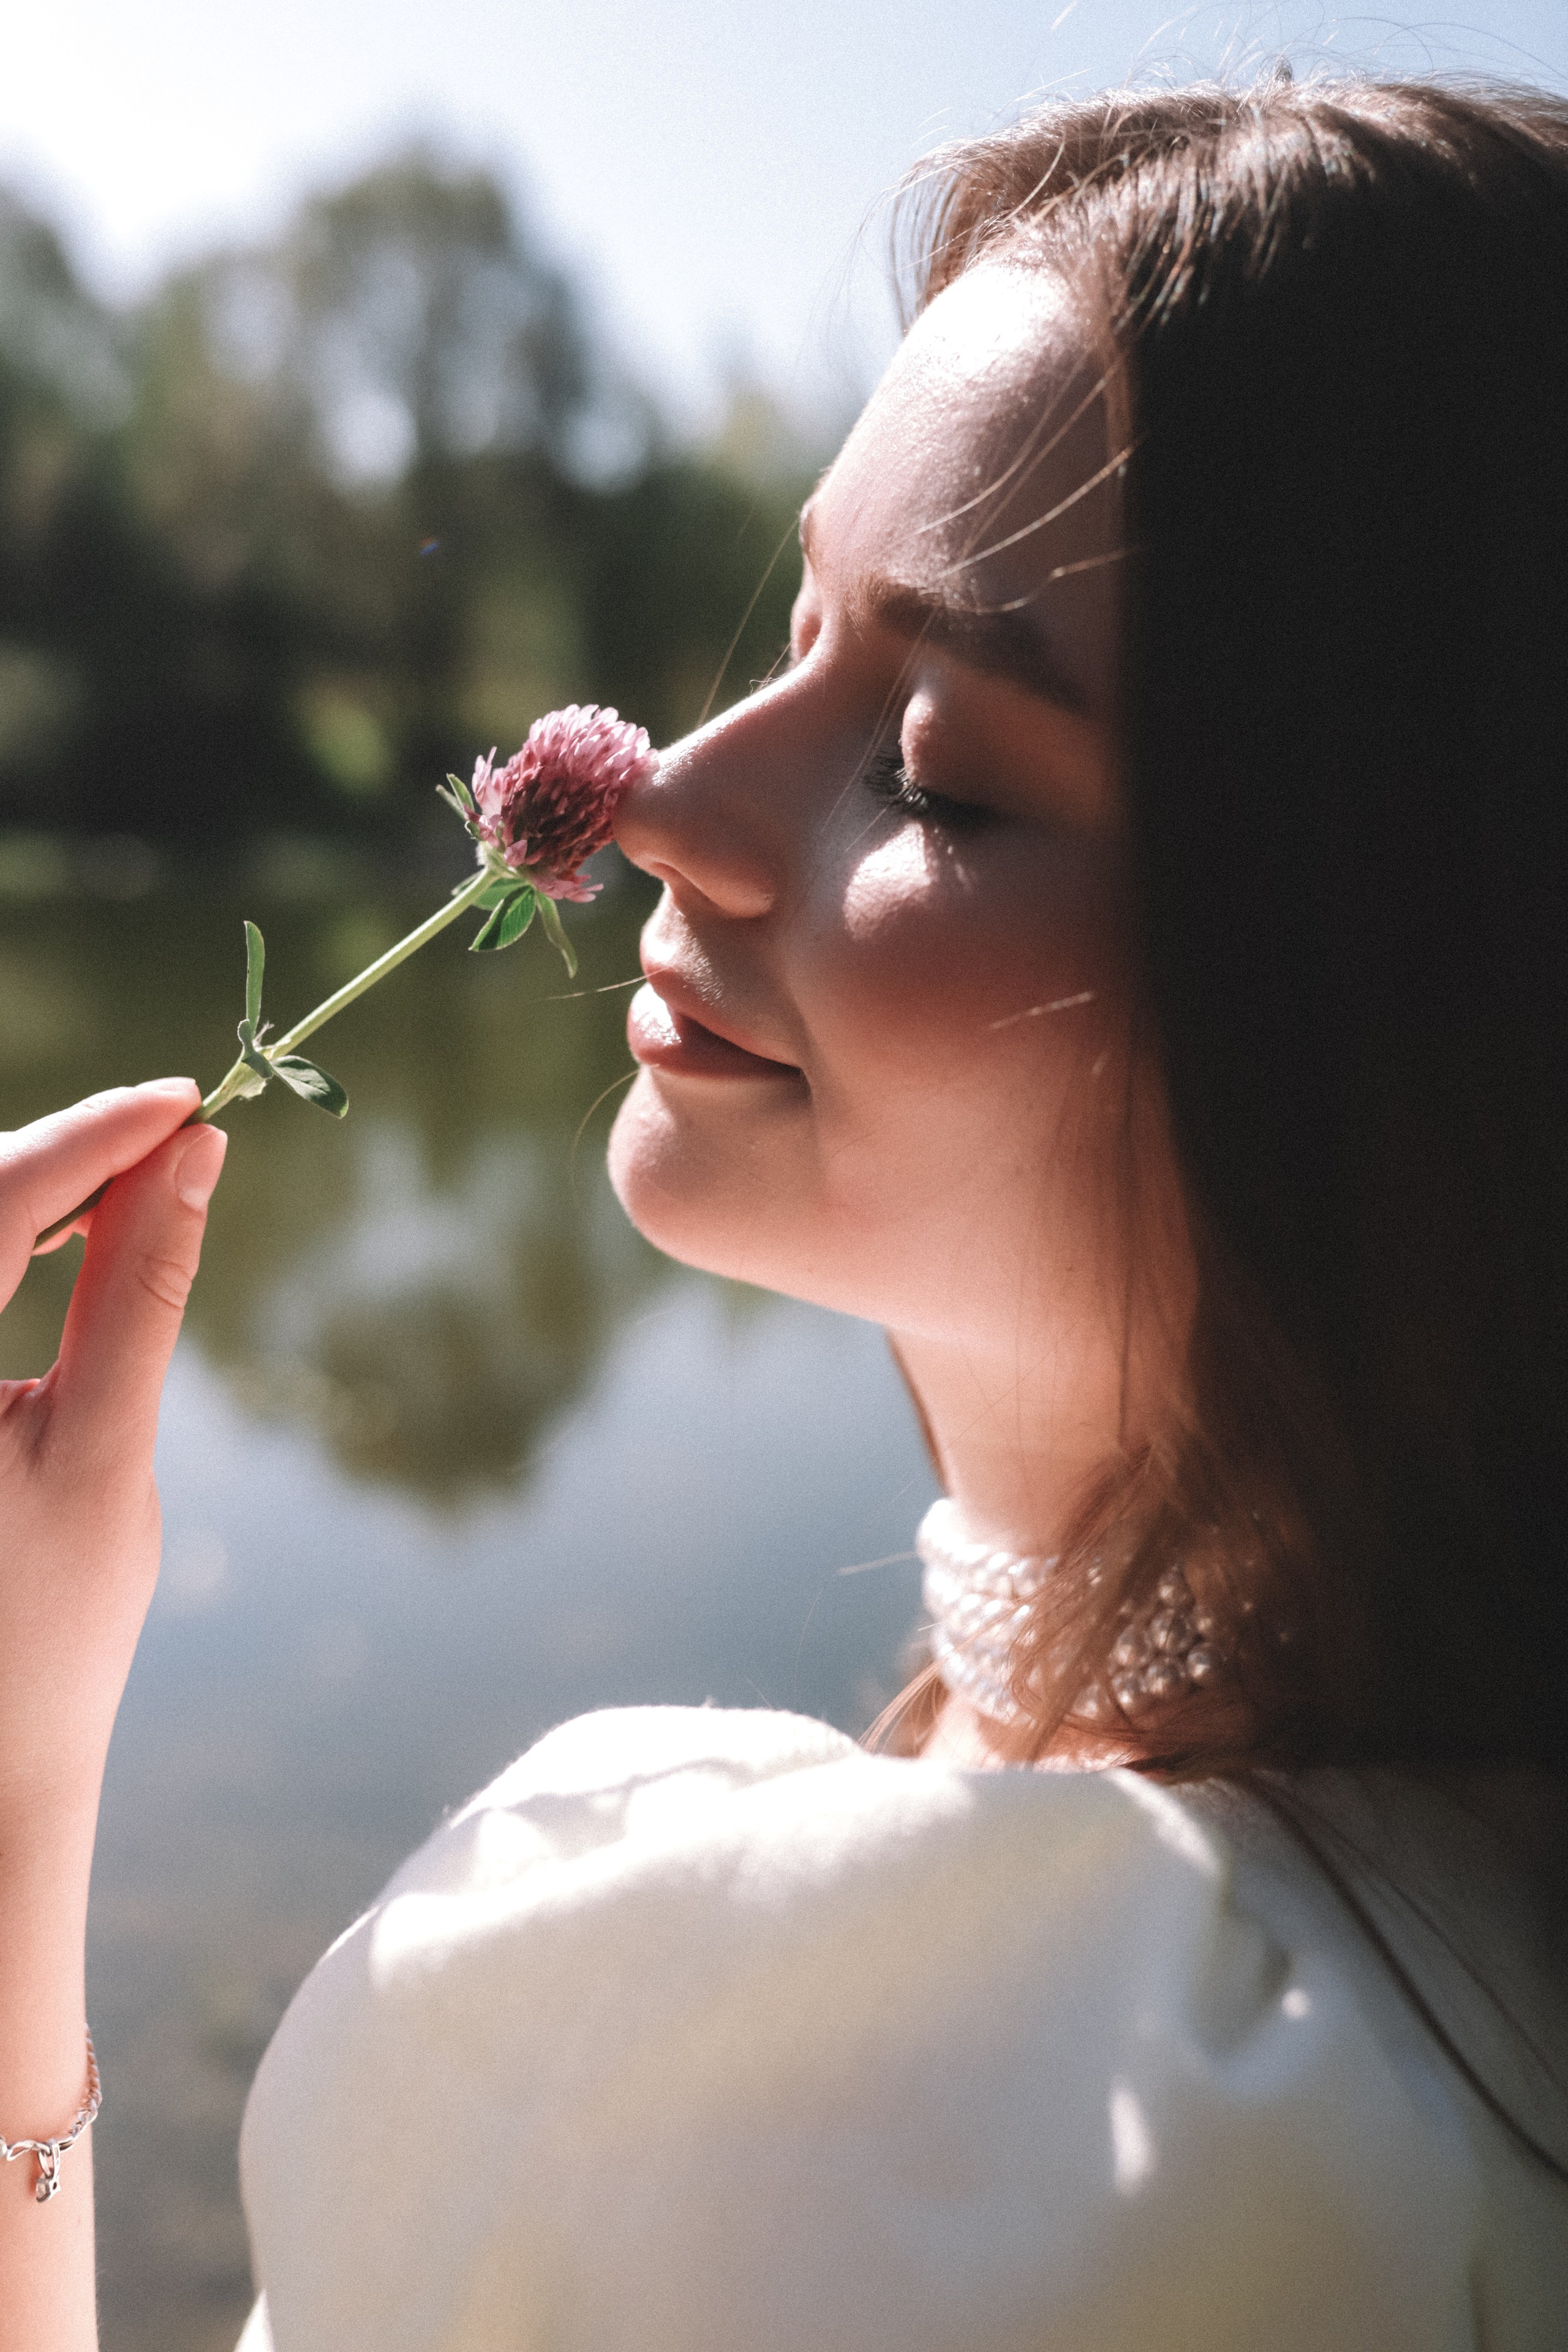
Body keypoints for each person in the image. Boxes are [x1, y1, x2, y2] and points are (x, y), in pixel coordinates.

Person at [2, 69, 1567, 2350]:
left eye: (933, 773)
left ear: (1408, 1024)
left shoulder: (851, 2078)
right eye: (800, 630)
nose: (670, 801)